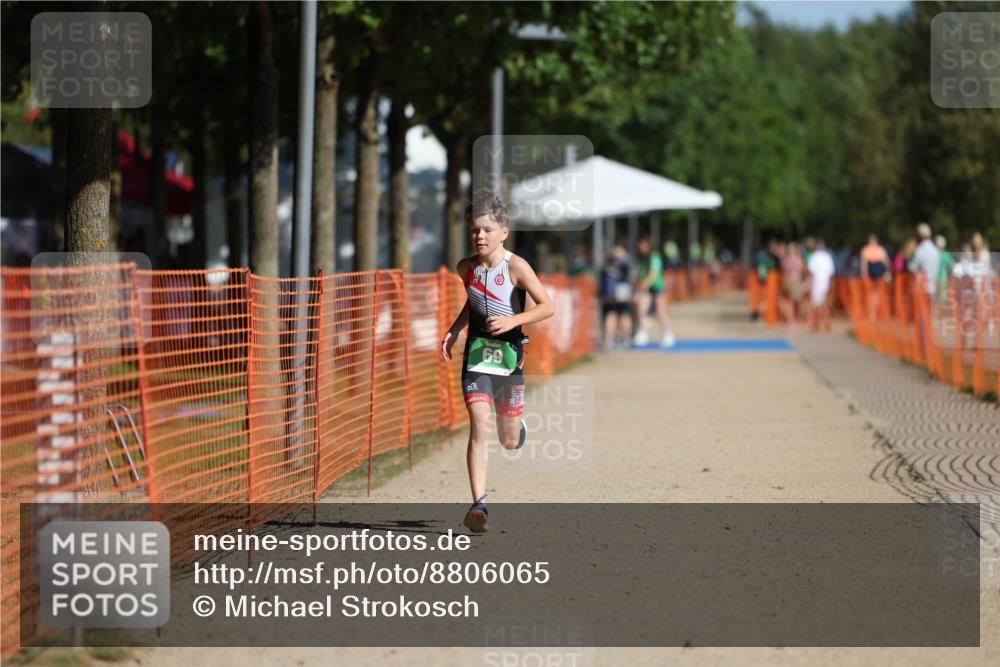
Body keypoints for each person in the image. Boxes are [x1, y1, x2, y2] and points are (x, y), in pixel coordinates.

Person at [441, 190, 555, 533]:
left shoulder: (516, 266)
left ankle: (516, 429)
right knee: (479, 425)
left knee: (506, 437)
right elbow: (473, 302)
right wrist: (455, 329)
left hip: (508, 358)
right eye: (474, 230)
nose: (479, 236)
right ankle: (479, 505)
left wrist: (513, 321)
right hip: (476, 357)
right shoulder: (467, 269)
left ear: (503, 231)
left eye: (487, 229)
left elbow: (547, 306)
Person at [632, 236, 675, 348]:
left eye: (643, 245)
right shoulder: (642, 259)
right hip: (646, 288)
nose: (641, 247)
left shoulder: (655, 256)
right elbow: (640, 274)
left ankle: (668, 333)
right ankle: (643, 332)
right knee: (641, 308)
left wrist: (642, 287)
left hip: (657, 286)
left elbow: (653, 274)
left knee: (660, 311)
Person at [907, 223, 941, 359]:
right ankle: (930, 345)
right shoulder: (935, 250)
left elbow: (912, 267)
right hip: (933, 287)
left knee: (921, 318)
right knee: (930, 317)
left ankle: (923, 348)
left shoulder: (920, 250)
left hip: (922, 288)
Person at [599, 244, 635, 350]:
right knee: (623, 315)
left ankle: (610, 341)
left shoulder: (607, 263)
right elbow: (631, 277)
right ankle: (625, 340)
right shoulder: (626, 263)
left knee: (613, 315)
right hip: (622, 293)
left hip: (611, 295)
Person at [805, 238, 835, 332]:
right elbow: (831, 272)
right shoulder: (828, 257)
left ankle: (817, 324)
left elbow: (811, 271)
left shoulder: (814, 256)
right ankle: (827, 323)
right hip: (826, 282)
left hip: (817, 282)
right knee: (824, 303)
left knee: (816, 304)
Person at [780, 241, 805, 331]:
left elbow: (784, 273)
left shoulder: (786, 260)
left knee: (790, 302)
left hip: (790, 281)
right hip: (794, 281)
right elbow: (802, 271)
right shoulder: (798, 259)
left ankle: (790, 321)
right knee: (792, 303)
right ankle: (791, 321)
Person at [935, 234, 954, 305]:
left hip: (939, 279)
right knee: (940, 300)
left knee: (938, 300)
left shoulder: (944, 254)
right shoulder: (946, 255)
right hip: (942, 279)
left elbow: (952, 267)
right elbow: (952, 267)